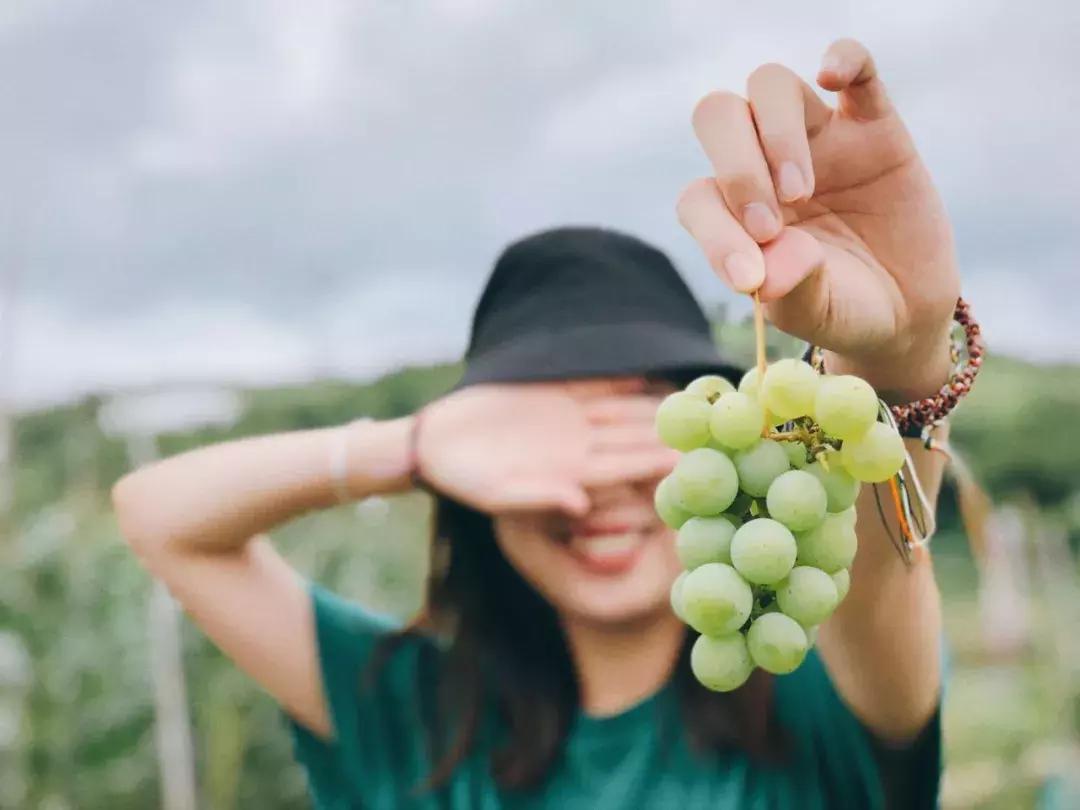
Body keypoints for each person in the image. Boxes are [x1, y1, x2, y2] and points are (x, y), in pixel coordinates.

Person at [113, 39, 958, 808]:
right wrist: (410, 445)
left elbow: (880, 554)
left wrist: (902, 353)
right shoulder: (414, 714)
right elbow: (160, 518)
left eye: (633, 425)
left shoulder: (813, 685)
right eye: (544, 437)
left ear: (722, 442)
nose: (594, 482)